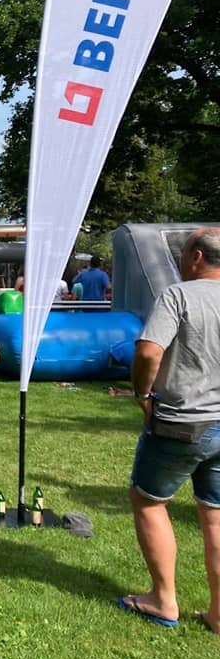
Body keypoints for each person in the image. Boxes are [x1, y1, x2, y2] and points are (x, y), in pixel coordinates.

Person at [117, 228, 220, 633]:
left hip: (181, 422)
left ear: (196, 257)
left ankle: (163, 600)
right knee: (215, 514)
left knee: (148, 500)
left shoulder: (178, 295)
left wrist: (142, 393)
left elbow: (148, 350)